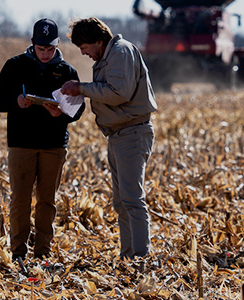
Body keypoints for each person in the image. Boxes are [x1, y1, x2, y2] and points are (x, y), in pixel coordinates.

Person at [61, 17, 157, 258]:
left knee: (132, 200)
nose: (84, 54)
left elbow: (118, 93)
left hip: (132, 133)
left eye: (84, 48)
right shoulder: (110, 55)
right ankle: (127, 256)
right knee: (121, 202)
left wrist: (81, 88)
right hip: (118, 135)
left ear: (98, 40)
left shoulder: (120, 52)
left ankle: (140, 257)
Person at [0, 18, 86, 261]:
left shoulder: (67, 71)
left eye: (50, 49)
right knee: (20, 199)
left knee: (47, 201)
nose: (46, 54)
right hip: (21, 143)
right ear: (33, 43)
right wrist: (17, 102)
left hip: (54, 145)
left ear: (57, 45)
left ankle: (43, 252)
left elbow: (78, 110)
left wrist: (60, 114)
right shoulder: (15, 66)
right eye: (41, 48)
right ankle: (18, 252)